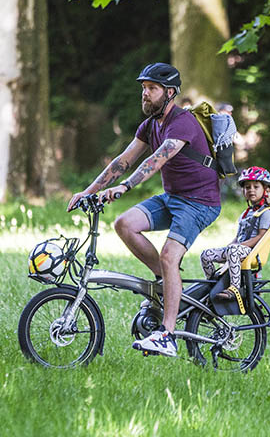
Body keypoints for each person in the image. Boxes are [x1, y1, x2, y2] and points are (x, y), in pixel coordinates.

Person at [68, 62, 221, 358]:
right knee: (124, 224)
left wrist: (124, 188)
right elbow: (123, 160)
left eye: (152, 89)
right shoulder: (150, 125)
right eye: (143, 89)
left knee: (169, 255)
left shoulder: (182, 123)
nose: (145, 94)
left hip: (200, 202)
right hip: (173, 197)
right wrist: (88, 192)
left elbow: (156, 161)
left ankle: (168, 334)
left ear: (170, 92)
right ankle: (166, 281)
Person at [199, 166, 270, 301]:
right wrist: (230, 246)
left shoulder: (266, 213)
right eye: (247, 187)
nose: (251, 190)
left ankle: (234, 288)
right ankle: (214, 284)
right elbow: (238, 237)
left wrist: (237, 247)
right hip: (238, 249)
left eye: (256, 187)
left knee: (233, 250)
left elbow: (261, 237)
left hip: (251, 251)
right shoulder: (246, 214)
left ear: (266, 190)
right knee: (206, 255)